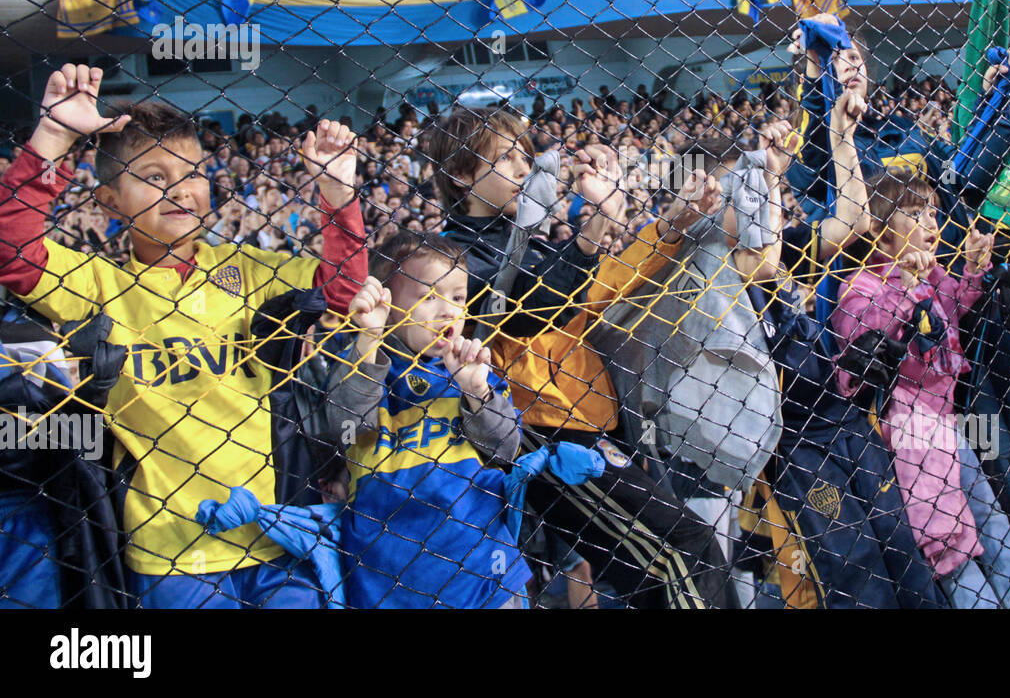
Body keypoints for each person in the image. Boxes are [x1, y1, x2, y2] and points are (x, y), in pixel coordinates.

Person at [0, 64, 367, 607]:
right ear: (108, 202)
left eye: (193, 172)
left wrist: (338, 193)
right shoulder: (99, 282)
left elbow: (341, 290)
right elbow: (13, 252)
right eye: (152, 176)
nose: (180, 189)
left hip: (271, 536)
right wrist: (53, 136)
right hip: (170, 550)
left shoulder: (250, 268)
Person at [424, 105, 737, 608]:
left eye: (525, 155)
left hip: (590, 425)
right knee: (686, 548)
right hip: (546, 435)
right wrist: (595, 230)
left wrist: (670, 225)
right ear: (460, 175)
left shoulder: (526, 241)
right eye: (505, 159)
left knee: (654, 578)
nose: (523, 169)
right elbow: (533, 309)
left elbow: (601, 292)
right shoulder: (453, 260)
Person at [831, 169, 1010, 608]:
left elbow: (953, 306)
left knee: (990, 517)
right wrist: (906, 293)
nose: (932, 225)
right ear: (878, 229)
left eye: (933, 213)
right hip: (912, 431)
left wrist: (970, 269)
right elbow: (866, 345)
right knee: (947, 540)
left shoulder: (932, 272)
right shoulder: (859, 286)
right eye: (915, 214)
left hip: (947, 419)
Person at [336, 234, 531, 608]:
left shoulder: (474, 368)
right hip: (389, 574)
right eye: (428, 297)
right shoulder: (363, 366)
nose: (447, 312)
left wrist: (475, 391)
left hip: (484, 573)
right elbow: (348, 429)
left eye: (458, 298)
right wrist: (367, 343)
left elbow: (505, 449)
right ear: (388, 306)